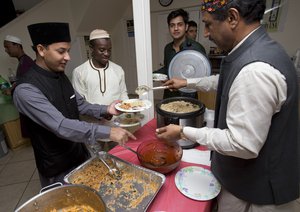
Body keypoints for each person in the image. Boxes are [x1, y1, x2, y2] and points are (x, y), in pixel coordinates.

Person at [156, 0, 299, 211]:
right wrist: (187, 82)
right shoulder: (255, 49)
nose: (205, 33)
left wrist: (184, 131)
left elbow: (242, 144)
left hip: (259, 193)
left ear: (232, 18)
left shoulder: (255, 71)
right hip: (245, 179)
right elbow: (224, 80)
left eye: (209, 24)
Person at [13, 22, 135, 187]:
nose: (68, 57)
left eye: (68, 51)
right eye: (61, 51)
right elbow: (61, 126)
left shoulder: (60, 75)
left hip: (78, 153)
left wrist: (107, 109)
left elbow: (80, 105)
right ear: (41, 50)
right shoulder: (26, 89)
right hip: (56, 167)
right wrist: (108, 132)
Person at [154, 8, 207, 99]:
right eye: (172, 25)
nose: (176, 28)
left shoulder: (196, 48)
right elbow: (167, 68)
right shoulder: (167, 48)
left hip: (188, 96)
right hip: (169, 94)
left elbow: (204, 77)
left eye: (180, 25)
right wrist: (151, 75)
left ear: (186, 27)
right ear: (169, 28)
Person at [72, 29, 128, 105]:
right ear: (92, 49)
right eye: (102, 50)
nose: (107, 54)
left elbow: (123, 93)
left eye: (109, 50)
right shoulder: (79, 72)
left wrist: (128, 109)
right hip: (92, 116)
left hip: (117, 116)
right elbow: (79, 101)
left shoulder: (118, 69)